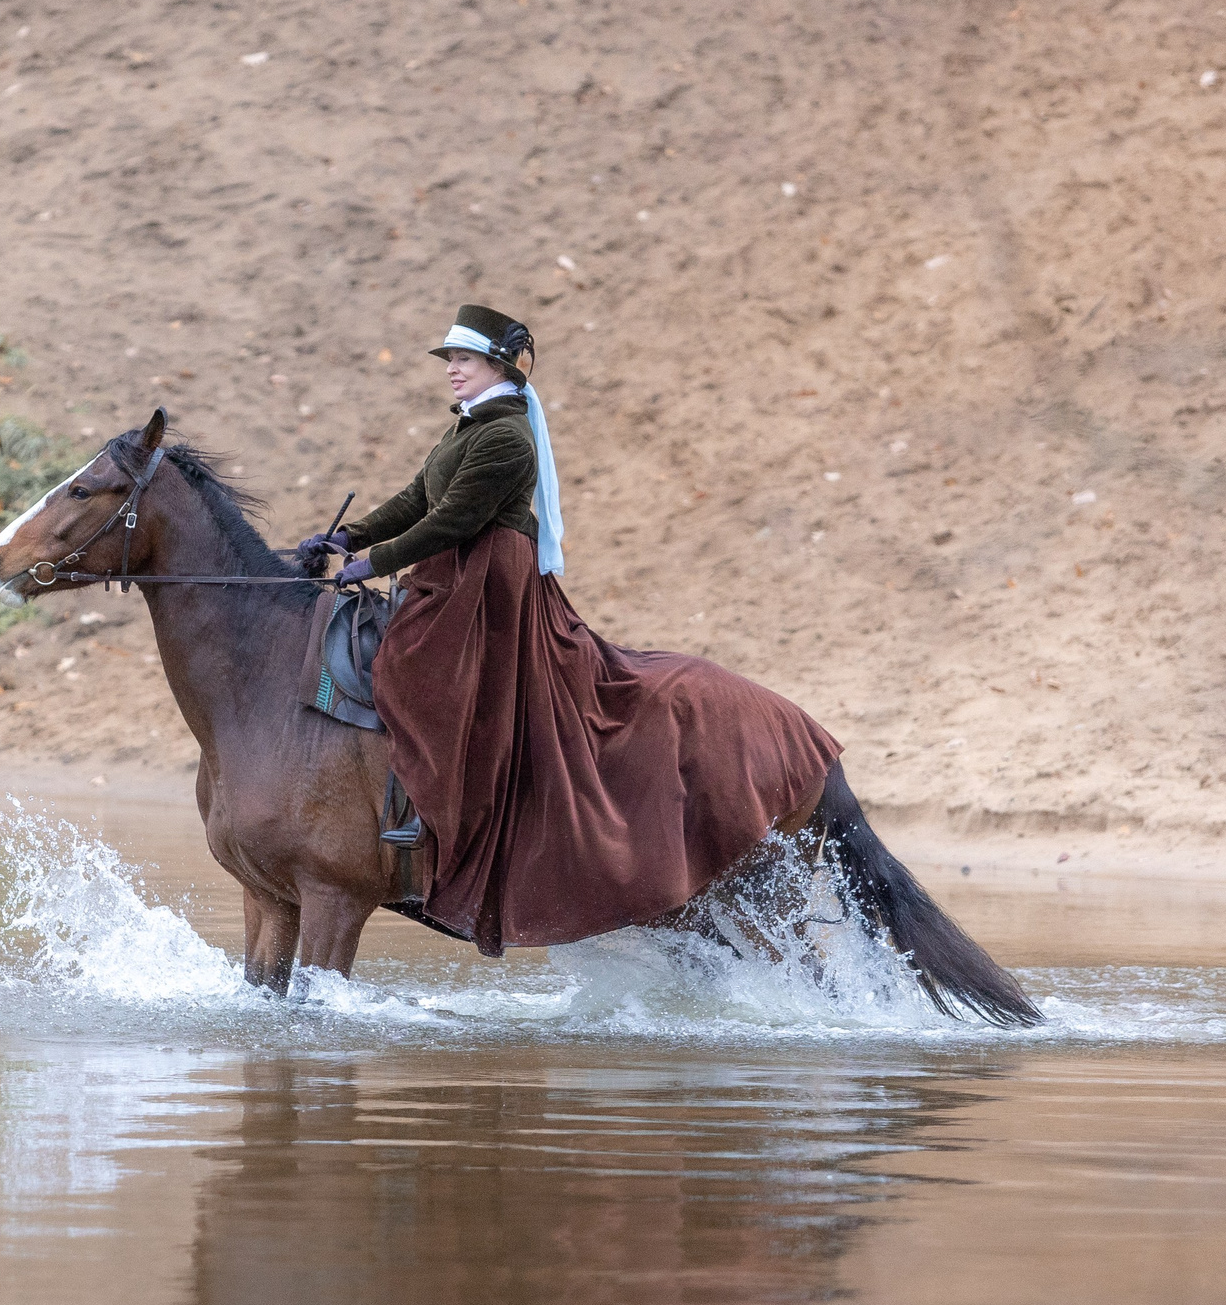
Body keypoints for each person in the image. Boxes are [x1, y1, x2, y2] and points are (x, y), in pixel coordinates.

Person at [298, 303, 844, 957]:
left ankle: (427, 821)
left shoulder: (505, 438)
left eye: (462, 360)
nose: (452, 371)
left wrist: (371, 562)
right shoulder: (466, 430)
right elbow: (417, 500)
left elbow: (452, 521)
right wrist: (348, 534)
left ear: (497, 365)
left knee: (417, 671)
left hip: (487, 585)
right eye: (450, 361)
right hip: (456, 574)